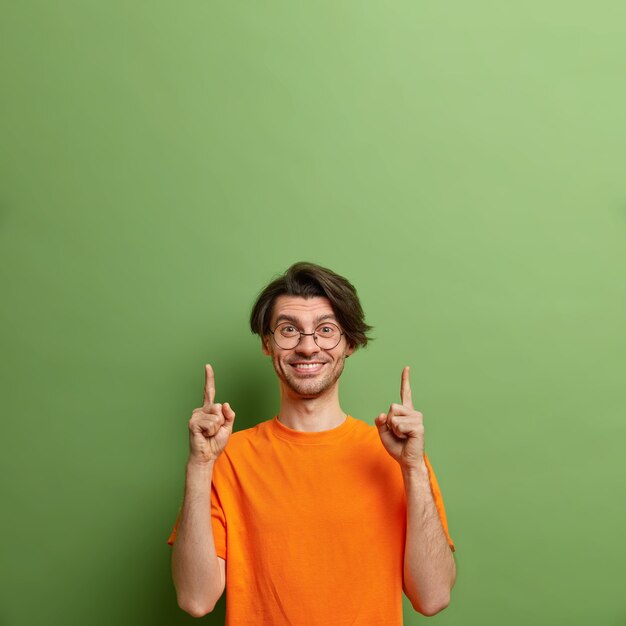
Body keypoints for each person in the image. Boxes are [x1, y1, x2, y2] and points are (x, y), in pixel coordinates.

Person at [168, 262, 456, 625]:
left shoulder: (398, 458)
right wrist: (199, 466)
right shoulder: (226, 458)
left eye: (326, 330)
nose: (308, 347)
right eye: (289, 330)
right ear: (267, 344)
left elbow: (433, 597)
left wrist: (413, 469)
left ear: (349, 343)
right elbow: (196, 599)